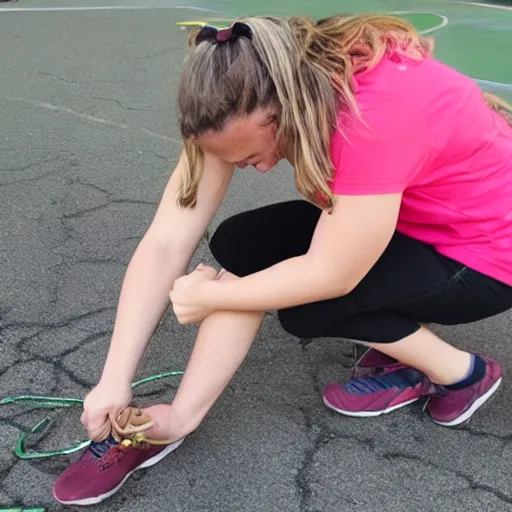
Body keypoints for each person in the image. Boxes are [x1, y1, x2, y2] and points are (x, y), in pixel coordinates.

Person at [53, 14, 512, 505]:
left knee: (307, 308)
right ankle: (181, 419)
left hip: (485, 256)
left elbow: (331, 274)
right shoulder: (236, 95)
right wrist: (113, 380)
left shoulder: (370, 119)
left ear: (284, 110)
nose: (264, 167)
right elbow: (167, 240)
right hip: (413, 219)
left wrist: (210, 295)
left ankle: (461, 375)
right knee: (242, 244)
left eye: (254, 155)